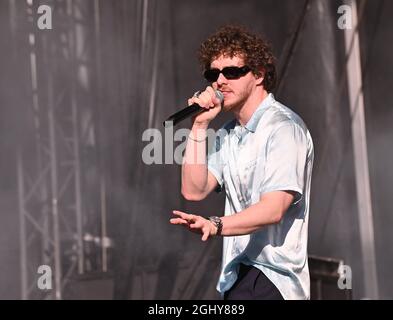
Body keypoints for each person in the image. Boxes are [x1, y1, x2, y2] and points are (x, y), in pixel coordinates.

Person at [170, 25, 314, 300]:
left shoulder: (283, 128)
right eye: (214, 74)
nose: (220, 81)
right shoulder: (228, 133)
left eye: (232, 72)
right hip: (237, 276)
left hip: (273, 279)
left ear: (258, 74)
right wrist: (199, 125)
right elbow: (194, 190)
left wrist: (216, 224)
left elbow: (273, 209)